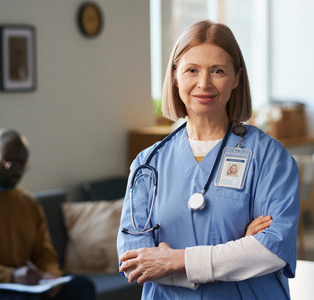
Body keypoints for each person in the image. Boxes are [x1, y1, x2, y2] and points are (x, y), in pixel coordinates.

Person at [117, 20, 299, 299]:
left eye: (218, 71)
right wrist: (237, 251)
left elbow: (270, 251)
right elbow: (136, 264)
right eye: (192, 70)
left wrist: (177, 261)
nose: (204, 83)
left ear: (236, 78)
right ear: (175, 75)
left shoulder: (269, 157)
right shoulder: (148, 164)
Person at [0, 129, 95, 300]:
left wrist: (51, 274)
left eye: (22, 165)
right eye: (9, 163)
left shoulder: (29, 203)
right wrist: (11, 275)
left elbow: (43, 253)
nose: (17, 171)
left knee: (82, 286)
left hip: (19, 285)